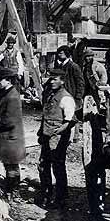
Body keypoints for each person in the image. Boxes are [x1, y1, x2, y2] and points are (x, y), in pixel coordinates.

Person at [37, 70, 77, 209]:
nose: (52, 81)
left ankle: (61, 198)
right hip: (46, 135)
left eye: (55, 79)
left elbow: (70, 121)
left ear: (63, 81)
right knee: (43, 165)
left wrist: (57, 133)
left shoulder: (66, 98)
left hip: (58, 138)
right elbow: (45, 116)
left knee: (58, 167)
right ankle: (46, 194)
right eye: (50, 79)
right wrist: (41, 133)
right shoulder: (50, 95)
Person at [0, 65, 25, 201]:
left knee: (12, 166)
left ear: (8, 80)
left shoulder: (12, 97)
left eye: (0, 80)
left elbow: (9, 120)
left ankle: (13, 192)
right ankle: (13, 192)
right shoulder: (8, 93)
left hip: (11, 137)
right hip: (10, 137)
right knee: (11, 165)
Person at [81, 49, 109, 221]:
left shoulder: (99, 67)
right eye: (87, 57)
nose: (89, 59)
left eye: (90, 56)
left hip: (98, 93)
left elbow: (104, 81)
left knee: (100, 109)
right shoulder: (85, 67)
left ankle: (101, 121)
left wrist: (99, 86)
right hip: (88, 96)